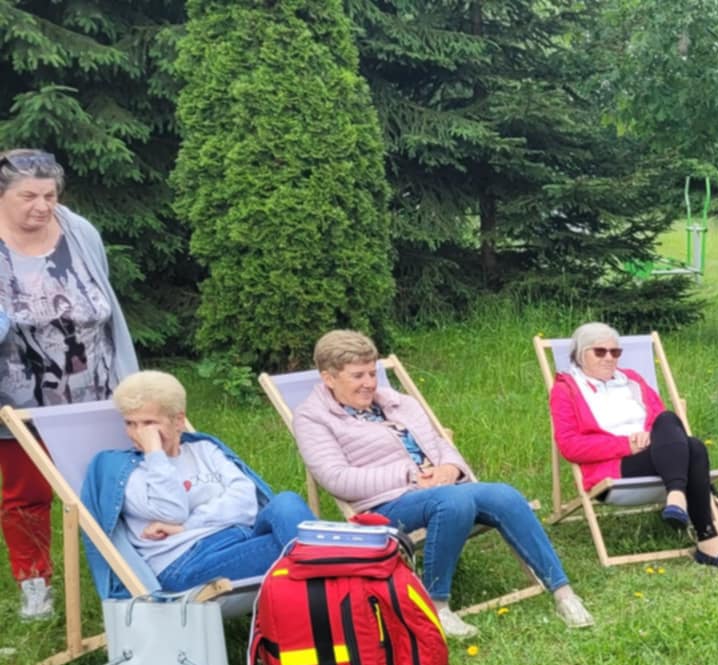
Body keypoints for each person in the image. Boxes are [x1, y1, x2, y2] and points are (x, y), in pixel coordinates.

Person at [292, 329, 592, 637]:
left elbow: (438, 443)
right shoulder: (313, 418)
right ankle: (437, 605)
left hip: (440, 488)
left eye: (372, 373)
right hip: (385, 504)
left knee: (505, 495)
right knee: (453, 501)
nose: (369, 383)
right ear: (329, 378)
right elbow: (336, 479)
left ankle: (563, 594)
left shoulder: (398, 403)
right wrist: (408, 475)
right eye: (358, 376)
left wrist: (451, 468)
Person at [0, 149, 137, 620]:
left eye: (50, 195)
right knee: (27, 496)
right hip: (19, 403)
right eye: (28, 196)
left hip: (96, 391)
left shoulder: (79, 232)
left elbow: (105, 302)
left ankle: (124, 573)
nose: (42, 206)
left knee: (109, 485)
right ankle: (35, 586)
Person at [81, 371, 311, 598]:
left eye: (149, 423)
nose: (138, 433)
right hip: (186, 563)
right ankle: (325, 589)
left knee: (287, 502)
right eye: (130, 423)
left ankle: (322, 579)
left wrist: (188, 526)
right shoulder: (128, 472)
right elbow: (172, 512)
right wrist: (155, 454)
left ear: (178, 421)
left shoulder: (204, 449)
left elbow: (246, 502)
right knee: (305, 546)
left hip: (240, 539)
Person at [550, 322, 718, 568]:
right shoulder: (566, 390)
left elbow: (660, 421)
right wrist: (626, 445)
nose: (609, 358)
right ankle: (704, 533)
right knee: (693, 448)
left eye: (615, 352)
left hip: (659, 455)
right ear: (581, 354)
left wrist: (649, 436)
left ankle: (680, 502)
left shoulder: (632, 379)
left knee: (671, 422)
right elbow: (570, 446)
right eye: (600, 352)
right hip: (614, 468)